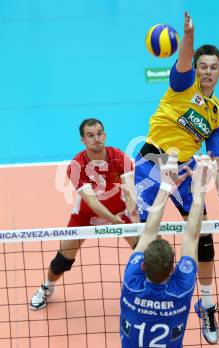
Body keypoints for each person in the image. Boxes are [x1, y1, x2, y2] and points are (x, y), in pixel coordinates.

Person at [135, 11, 219, 344]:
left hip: (183, 171)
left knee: (204, 237)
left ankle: (206, 305)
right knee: (147, 240)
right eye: (202, 66)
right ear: (196, 69)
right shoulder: (182, 84)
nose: (207, 72)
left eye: (213, 68)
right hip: (151, 164)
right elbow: (183, 58)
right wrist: (188, 35)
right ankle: (146, 297)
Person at [29, 118, 139, 310]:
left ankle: (149, 290)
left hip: (120, 212)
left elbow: (129, 187)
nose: (96, 138)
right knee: (62, 261)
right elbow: (92, 202)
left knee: (144, 252)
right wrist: (115, 222)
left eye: (99, 133)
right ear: (83, 140)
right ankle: (47, 287)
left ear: (104, 135)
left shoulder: (118, 156)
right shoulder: (76, 166)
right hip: (85, 218)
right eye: (90, 135)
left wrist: (132, 210)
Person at [121, 153, 216, 348]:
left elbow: (149, 232)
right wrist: (199, 191)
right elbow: (192, 236)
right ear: (173, 270)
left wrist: (164, 185)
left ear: (143, 265)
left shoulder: (132, 283)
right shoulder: (180, 289)